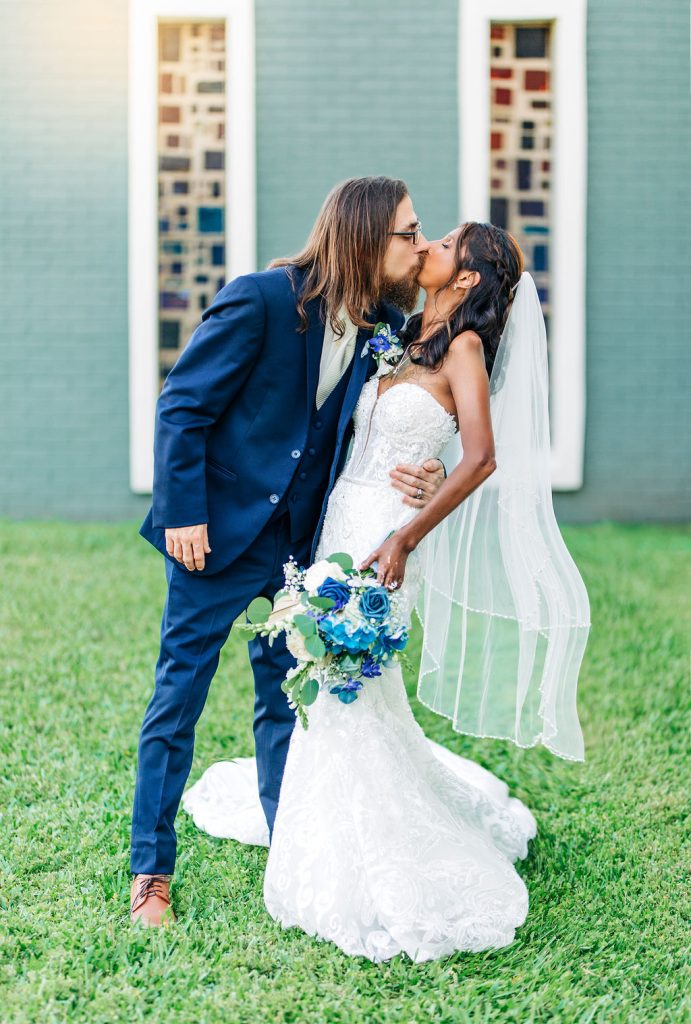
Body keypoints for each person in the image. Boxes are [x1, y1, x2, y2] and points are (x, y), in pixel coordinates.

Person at [183, 222, 591, 963]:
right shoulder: (399, 333)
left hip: (384, 534)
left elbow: (481, 456)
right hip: (340, 514)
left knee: (349, 681)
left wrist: (408, 533)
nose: (426, 244)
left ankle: (362, 845)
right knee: (318, 676)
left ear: (465, 280)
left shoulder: (464, 349)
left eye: (442, 243)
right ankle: (308, 812)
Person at [130, 177, 447, 926]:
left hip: (302, 552)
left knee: (283, 700)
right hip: (214, 538)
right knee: (179, 697)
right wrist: (184, 512)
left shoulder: (381, 325)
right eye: (408, 231)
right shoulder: (263, 299)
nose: (419, 243)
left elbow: (384, 422)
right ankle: (151, 872)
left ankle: (288, 844)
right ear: (368, 238)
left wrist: (430, 469)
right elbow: (182, 403)